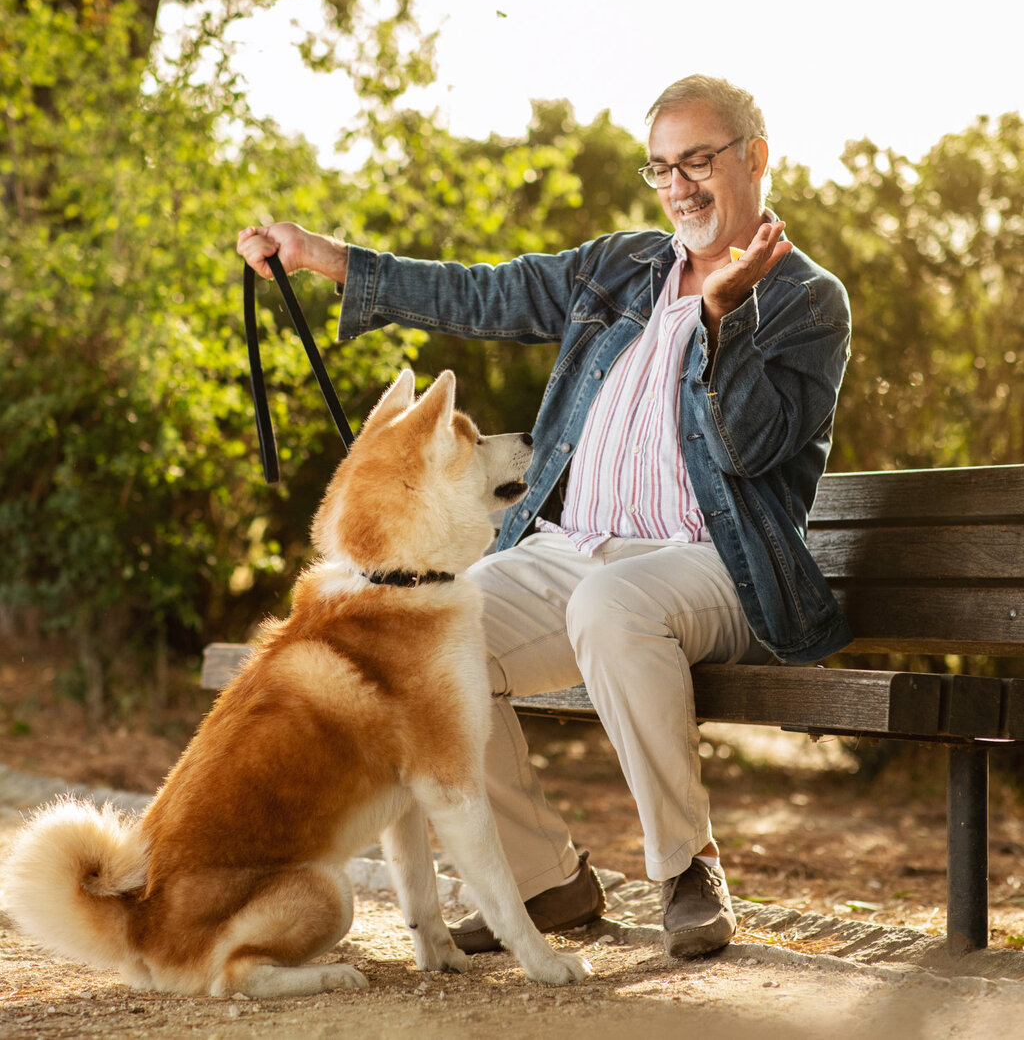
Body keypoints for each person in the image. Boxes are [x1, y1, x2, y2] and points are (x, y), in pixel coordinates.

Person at [237, 75, 853, 960]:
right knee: (433, 642)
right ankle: (546, 881)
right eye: (660, 167)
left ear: (755, 158)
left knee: (616, 605)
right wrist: (323, 257)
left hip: (712, 564)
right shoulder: (621, 267)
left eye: (699, 161)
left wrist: (722, 319)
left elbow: (751, 447)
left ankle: (686, 867)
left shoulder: (805, 300)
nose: (678, 184)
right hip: (571, 548)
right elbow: (483, 294)